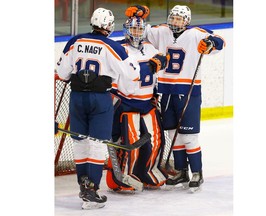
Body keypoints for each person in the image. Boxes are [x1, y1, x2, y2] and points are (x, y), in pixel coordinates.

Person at [125, 5, 225, 192]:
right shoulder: (161, 31)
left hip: (188, 92)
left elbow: (219, 40)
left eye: (180, 19)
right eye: (173, 18)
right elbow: (139, 29)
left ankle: (197, 172)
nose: (175, 22)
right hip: (166, 91)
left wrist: (211, 43)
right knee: (173, 135)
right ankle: (181, 171)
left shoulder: (196, 34)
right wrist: (138, 13)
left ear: (186, 21)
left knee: (189, 137)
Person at [55, 7, 144, 209]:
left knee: (79, 141)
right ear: (109, 26)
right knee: (96, 143)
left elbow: (62, 72)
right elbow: (132, 73)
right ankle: (92, 189)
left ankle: (83, 184)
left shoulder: (75, 41)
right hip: (100, 99)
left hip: (77, 97)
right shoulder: (111, 46)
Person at [106, 16, 169, 192]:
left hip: (148, 102)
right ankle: (125, 175)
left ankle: (148, 171)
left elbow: (162, 63)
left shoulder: (150, 48)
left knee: (156, 140)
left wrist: (163, 60)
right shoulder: (119, 48)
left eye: (140, 29)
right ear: (126, 30)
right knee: (130, 142)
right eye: (133, 29)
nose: (136, 33)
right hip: (127, 103)